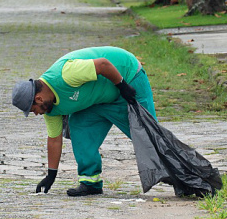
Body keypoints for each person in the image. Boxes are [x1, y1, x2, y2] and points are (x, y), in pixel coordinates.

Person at [11, 46, 156, 197]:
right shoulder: (51, 109)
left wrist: (122, 85)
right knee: (79, 127)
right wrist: (51, 175)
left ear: (39, 98)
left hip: (126, 77)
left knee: (149, 135)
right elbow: (54, 140)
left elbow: (103, 64)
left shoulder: (66, 74)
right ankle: (90, 183)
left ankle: (173, 171)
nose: (36, 114)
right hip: (97, 99)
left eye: (33, 110)